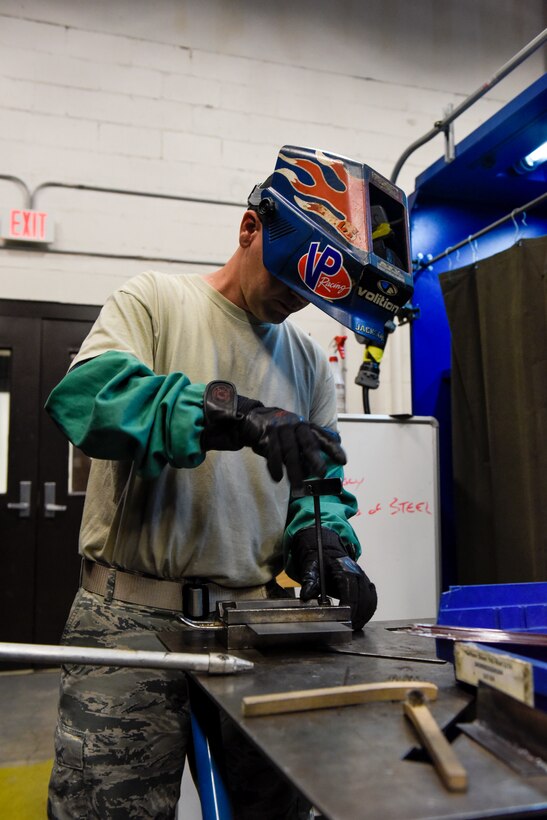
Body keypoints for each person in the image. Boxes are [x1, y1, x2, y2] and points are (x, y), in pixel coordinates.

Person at [45, 145, 386, 820]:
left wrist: (325, 544)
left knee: (279, 807)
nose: (297, 298)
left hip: (257, 624)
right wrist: (227, 413)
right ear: (249, 228)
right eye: (291, 274)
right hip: (133, 621)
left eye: (314, 289)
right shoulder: (154, 301)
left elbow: (319, 485)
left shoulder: (310, 363)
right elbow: (87, 402)